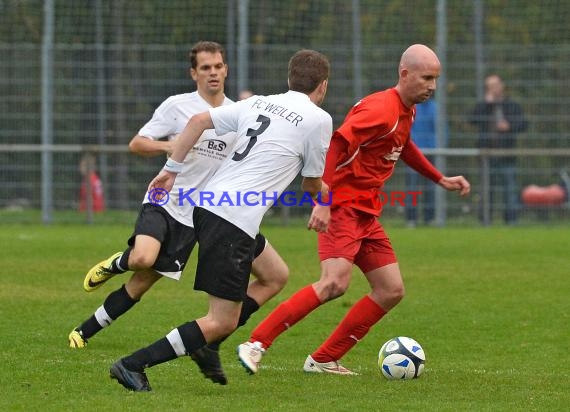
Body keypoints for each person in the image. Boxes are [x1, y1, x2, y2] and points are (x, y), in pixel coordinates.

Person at [237, 44, 471, 376]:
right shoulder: (380, 109)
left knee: (391, 290)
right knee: (333, 283)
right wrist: (323, 202)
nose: (432, 85)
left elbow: (402, 145)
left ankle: (324, 358)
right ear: (405, 74)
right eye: (427, 78)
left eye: (436, 79)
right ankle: (256, 342)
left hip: (365, 212)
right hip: (342, 206)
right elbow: (337, 143)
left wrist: (439, 178)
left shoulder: (405, 110)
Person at [109, 49, 333, 392]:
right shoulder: (318, 119)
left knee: (275, 276)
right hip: (232, 219)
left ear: (289, 79)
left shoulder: (260, 102)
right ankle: (132, 364)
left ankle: (207, 348)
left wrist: (171, 170)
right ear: (323, 86)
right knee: (219, 320)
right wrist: (326, 199)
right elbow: (311, 184)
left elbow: (198, 121)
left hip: (213, 206)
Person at [68, 41, 289, 386]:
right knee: (142, 258)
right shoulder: (177, 106)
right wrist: (169, 145)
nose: (213, 72)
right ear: (194, 73)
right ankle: (116, 263)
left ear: (225, 69)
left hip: (200, 216)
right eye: (205, 68)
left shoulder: (238, 112)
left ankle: (85, 330)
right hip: (165, 200)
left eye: (218, 66)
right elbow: (136, 143)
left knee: (143, 282)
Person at [469, 74, 528, 225]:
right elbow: (472, 119)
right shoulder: (483, 106)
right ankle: (485, 221)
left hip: (507, 154)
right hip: (487, 155)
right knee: (486, 190)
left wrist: (509, 127)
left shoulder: (512, 105)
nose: (493, 89)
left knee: (509, 189)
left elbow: (523, 124)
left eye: (495, 85)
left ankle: (511, 221)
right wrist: (487, 105)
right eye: (489, 86)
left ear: (502, 86)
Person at [405, 99, 437, 227]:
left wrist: (438, 147)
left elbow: (440, 129)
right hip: (414, 153)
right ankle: (411, 219)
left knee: (430, 188)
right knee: (412, 187)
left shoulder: (435, 108)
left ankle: (429, 218)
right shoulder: (411, 108)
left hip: (432, 153)